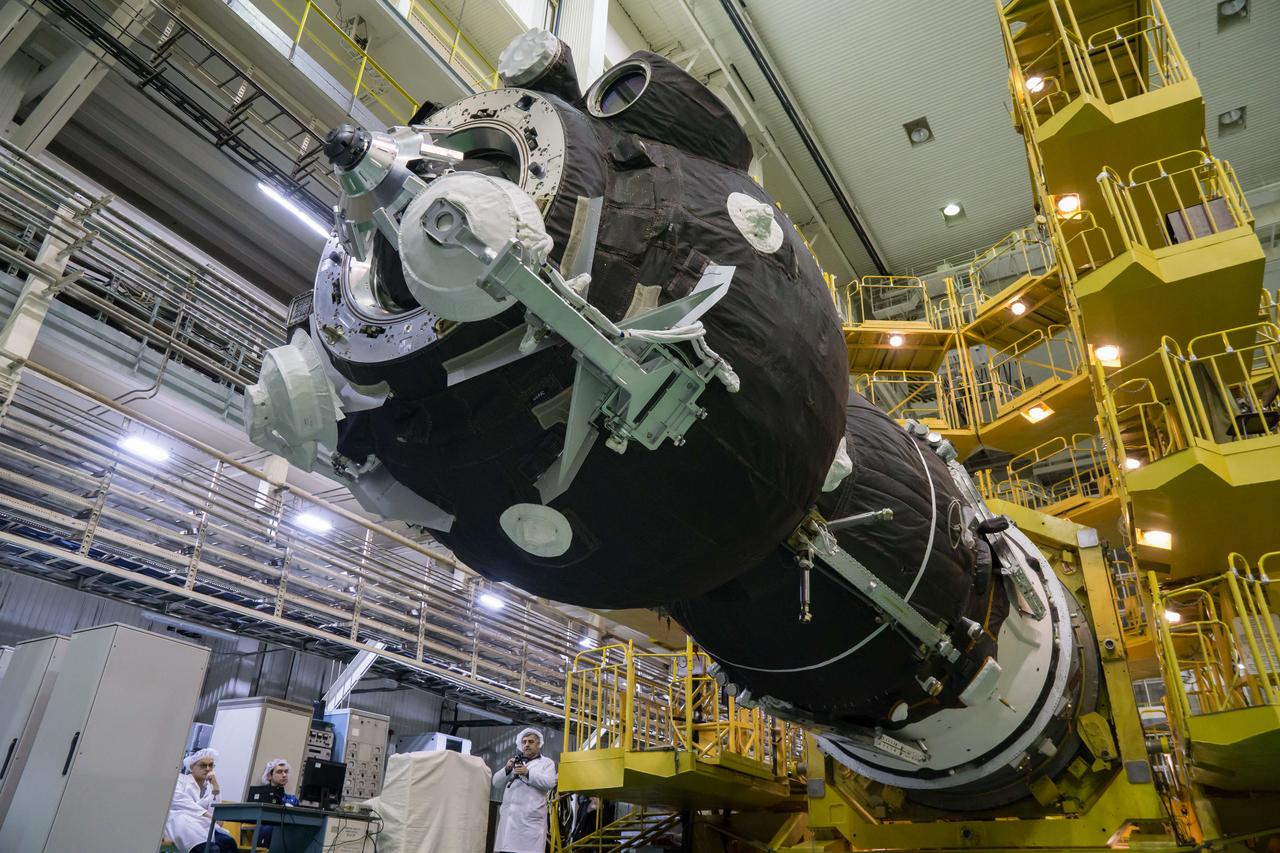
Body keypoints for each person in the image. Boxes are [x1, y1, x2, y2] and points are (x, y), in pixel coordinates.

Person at [491, 727, 557, 853]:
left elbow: (549, 783)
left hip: (530, 827)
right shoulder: (516, 762)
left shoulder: (546, 763)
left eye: (531, 742)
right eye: (524, 742)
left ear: (539, 744)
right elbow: (496, 783)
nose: (526, 745)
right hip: (509, 826)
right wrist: (507, 768)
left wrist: (528, 773)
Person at [165, 748, 239, 853]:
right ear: (191, 767)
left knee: (229, 844)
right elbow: (179, 801)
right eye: (203, 765)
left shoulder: (209, 788)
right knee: (212, 850)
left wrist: (216, 788)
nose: (208, 769)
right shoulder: (181, 780)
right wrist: (205, 814)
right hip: (183, 823)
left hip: (205, 826)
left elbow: (218, 819)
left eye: (211, 765)